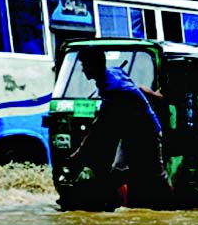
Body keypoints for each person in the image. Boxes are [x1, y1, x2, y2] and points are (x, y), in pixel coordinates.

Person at [69, 47, 171, 207]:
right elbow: (137, 88)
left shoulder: (114, 89)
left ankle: (171, 209)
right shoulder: (114, 72)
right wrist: (153, 95)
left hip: (147, 133)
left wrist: (79, 154)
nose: (82, 69)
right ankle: (127, 209)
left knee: (156, 176)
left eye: (84, 65)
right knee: (119, 172)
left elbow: (98, 127)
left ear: (94, 65)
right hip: (130, 132)